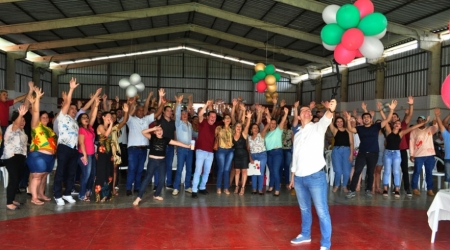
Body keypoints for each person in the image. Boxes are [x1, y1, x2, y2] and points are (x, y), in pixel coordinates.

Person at [289, 99, 336, 250]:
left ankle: (326, 243)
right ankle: (305, 234)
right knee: (304, 209)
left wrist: (331, 109)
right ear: (299, 117)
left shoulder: (317, 128)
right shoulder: (297, 134)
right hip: (299, 179)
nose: (307, 112)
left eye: (309, 111)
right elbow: (295, 157)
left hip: (316, 177)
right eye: (303, 111)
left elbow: (327, 118)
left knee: (322, 211)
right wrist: (292, 177)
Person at [345, 100, 396, 199]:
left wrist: (391, 110)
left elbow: (388, 119)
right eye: (364, 117)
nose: (366, 119)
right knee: (357, 171)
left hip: (373, 154)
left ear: (371, 119)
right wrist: (348, 120)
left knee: (370, 172)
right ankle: (352, 190)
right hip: (362, 153)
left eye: (368, 117)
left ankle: (368, 190)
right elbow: (351, 129)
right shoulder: (360, 128)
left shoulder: (376, 126)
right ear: (363, 120)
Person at [133, 124, 192, 205]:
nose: (159, 131)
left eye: (160, 130)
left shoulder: (166, 139)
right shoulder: (152, 137)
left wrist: (187, 146)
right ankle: (139, 197)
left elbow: (176, 142)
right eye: (157, 130)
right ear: (154, 132)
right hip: (152, 161)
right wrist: (153, 128)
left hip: (162, 162)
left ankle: (156, 195)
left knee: (161, 180)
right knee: (147, 179)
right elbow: (143, 132)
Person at [125, 91, 164, 196]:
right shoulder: (131, 119)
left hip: (143, 149)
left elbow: (157, 113)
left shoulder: (147, 119)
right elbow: (127, 113)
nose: (141, 112)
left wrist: (163, 104)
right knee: (132, 169)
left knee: (140, 169)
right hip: (133, 149)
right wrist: (129, 103)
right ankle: (128, 188)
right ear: (136, 111)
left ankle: (137, 187)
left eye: (143, 110)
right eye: (139, 110)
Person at [383, 114, 428, 198]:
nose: (397, 124)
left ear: (400, 127)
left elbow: (412, 128)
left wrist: (423, 123)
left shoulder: (401, 133)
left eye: (399, 124)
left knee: (396, 172)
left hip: (397, 153)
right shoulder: (388, 131)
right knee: (387, 171)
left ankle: (397, 189)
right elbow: (385, 119)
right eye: (396, 123)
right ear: (393, 125)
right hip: (387, 153)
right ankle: (385, 189)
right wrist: (382, 110)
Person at [26, 87, 57, 205]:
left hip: (50, 156)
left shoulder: (50, 130)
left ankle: (40, 194)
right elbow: (35, 112)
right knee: (37, 176)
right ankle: (34, 197)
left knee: (44, 176)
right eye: (42, 117)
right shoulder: (36, 126)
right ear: (39, 119)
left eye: (46, 117)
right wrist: (37, 98)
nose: (45, 118)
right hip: (38, 155)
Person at [53, 77, 80, 206]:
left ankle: (67, 193)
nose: (74, 110)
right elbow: (67, 102)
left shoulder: (75, 122)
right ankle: (57, 195)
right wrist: (71, 89)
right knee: (61, 171)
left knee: (71, 172)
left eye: (75, 109)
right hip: (64, 147)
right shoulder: (62, 117)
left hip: (73, 148)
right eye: (71, 108)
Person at [192, 100, 219, 198]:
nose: (213, 118)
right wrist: (206, 105)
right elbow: (199, 114)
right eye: (211, 116)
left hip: (210, 153)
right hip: (200, 151)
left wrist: (211, 107)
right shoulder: (203, 123)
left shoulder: (215, 126)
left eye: (214, 117)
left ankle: (202, 187)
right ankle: (194, 190)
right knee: (198, 170)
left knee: (207, 171)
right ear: (207, 117)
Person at [2, 105, 28, 210]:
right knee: (14, 179)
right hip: (11, 157)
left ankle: (12, 199)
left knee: (17, 179)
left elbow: (23, 143)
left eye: (24, 120)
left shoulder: (23, 132)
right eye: (20, 120)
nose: (22, 122)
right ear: (14, 121)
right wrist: (21, 114)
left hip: (21, 157)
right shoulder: (11, 128)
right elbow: (17, 124)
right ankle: (9, 203)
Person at [76, 95, 100, 201]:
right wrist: (85, 155)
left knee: (93, 174)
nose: (86, 119)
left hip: (91, 154)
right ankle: (82, 194)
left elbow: (93, 116)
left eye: (87, 117)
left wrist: (96, 105)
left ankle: (88, 191)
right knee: (86, 174)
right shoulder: (81, 129)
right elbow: (81, 142)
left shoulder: (90, 128)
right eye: (83, 118)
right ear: (80, 120)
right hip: (84, 154)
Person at [409, 114, 438, 196]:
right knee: (417, 172)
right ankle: (414, 187)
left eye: (422, 121)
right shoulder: (414, 131)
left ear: (425, 122)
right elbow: (411, 143)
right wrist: (412, 154)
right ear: (417, 122)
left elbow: (436, 128)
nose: (421, 122)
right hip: (419, 155)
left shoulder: (429, 129)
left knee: (429, 172)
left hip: (430, 155)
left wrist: (435, 122)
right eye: (419, 121)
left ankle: (430, 189)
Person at [264, 105, 289, 196]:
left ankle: (277, 189)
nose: (273, 124)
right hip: (269, 153)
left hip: (277, 152)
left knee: (275, 170)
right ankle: (271, 186)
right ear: (269, 123)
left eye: (275, 123)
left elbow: (282, 122)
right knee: (271, 170)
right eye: (271, 123)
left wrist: (285, 114)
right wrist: (267, 114)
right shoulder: (266, 133)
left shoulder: (278, 131)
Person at [0, 87, 31, 158]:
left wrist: (27, 94)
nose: (6, 96)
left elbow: (17, 99)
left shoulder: (7, 103)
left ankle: (2, 158)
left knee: (4, 144)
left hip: (5, 126)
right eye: (4, 94)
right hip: (0, 126)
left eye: (7, 95)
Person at [172, 95, 194, 195]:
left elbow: (193, 135)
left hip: (189, 149)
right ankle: (176, 187)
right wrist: (179, 103)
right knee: (179, 168)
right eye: (183, 114)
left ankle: (187, 186)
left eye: (185, 113)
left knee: (189, 168)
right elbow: (176, 114)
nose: (184, 115)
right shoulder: (178, 123)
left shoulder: (189, 124)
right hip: (181, 149)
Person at [328, 116, 354, 192]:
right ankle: (336, 185)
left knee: (346, 171)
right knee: (338, 170)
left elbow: (351, 143)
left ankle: (345, 186)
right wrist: (330, 111)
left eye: (341, 121)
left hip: (347, 151)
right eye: (337, 121)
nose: (339, 123)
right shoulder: (335, 130)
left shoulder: (349, 131)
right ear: (335, 123)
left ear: (344, 122)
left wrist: (351, 154)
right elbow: (329, 122)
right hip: (337, 151)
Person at [248, 105, 268, 195]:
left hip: (262, 155)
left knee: (260, 172)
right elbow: (248, 149)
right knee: (254, 172)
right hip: (253, 155)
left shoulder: (261, 134)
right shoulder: (248, 138)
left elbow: (267, 125)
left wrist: (267, 116)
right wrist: (250, 158)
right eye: (254, 128)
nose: (256, 129)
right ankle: (254, 189)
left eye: (257, 128)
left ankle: (260, 189)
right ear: (251, 130)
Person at [110, 103, 129, 196]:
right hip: (105, 150)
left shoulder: (116, 127)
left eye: (114, 117)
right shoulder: (102, 127)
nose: (113, 118)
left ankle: (113, 187)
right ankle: (105, 187)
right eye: (111, 116)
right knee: (106, 169)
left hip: (115, 150)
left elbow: (125, 120)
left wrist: (126, 111)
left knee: (114, 169)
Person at [232, 110, 252, 195]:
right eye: (237, 126)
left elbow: (247, 126)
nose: (239, 128)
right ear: (235, 127)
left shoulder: (244, 134)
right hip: (236, 154)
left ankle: (243, 188)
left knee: (244, 171)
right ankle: (237, 186)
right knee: (237, 171)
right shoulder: (232, 135)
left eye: (240, 126)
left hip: (244, 155)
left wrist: (249, 118)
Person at [215, 113, 234, 195]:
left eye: (229, 118)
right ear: (223, 120)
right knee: (221, 169)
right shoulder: (219, 128)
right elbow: (215, 136)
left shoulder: (232, 129)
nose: (228, 119)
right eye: (226, 118)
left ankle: (226, 188)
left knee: (227, 170)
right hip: (221, 150)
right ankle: (218, 187)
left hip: (230, 150)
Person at [435, 108, 450, 189]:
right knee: (447, 176)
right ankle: (447, 191)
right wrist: (437, 116)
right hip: (448, 159)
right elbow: (442, 125)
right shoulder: (446, 135)